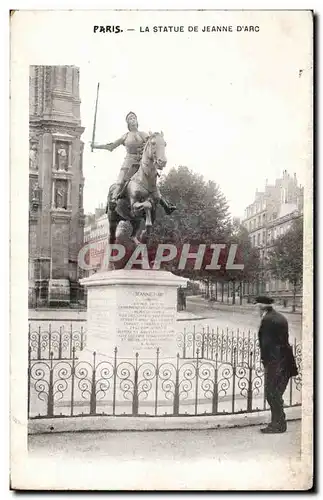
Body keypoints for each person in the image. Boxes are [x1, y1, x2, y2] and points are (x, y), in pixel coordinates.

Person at [92, 112, 176, 214]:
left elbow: (152, 144)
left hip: (142, 163)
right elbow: (111, 146)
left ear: (137, 120)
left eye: (134, 117)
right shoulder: (125, 136)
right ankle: (113, 200)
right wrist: (96, 146)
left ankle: (166, 205)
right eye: (130, 118)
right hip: (129, 163)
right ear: (127, 122)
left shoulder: (144, 134)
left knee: (152, 181)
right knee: (120, 182)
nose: (133, 119)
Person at [255, 295, 298, 433]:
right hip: (285, 359)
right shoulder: (279, 317)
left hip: (275, 361)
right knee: (276, 393)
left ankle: (278, 425)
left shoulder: (267, 320)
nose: (256, 309)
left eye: (256, 306)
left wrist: (266, 362)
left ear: (261, 307)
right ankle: (279, 422)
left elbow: (267, 344)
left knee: (271, 393)